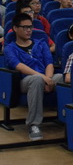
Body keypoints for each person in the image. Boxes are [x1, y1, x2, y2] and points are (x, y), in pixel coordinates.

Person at [5, 13, 63, 141]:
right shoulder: (10, 48)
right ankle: (34, 124)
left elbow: (49, 63)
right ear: (15, 28)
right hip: (24, 81)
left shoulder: (41, 43)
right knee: (36, 80)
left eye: (30, 27)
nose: (29, 30)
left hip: (45, 77)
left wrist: (48, 79)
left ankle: (66, 117)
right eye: (25, 27)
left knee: (62, 78)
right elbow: (19, 66)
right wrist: (44, 78)